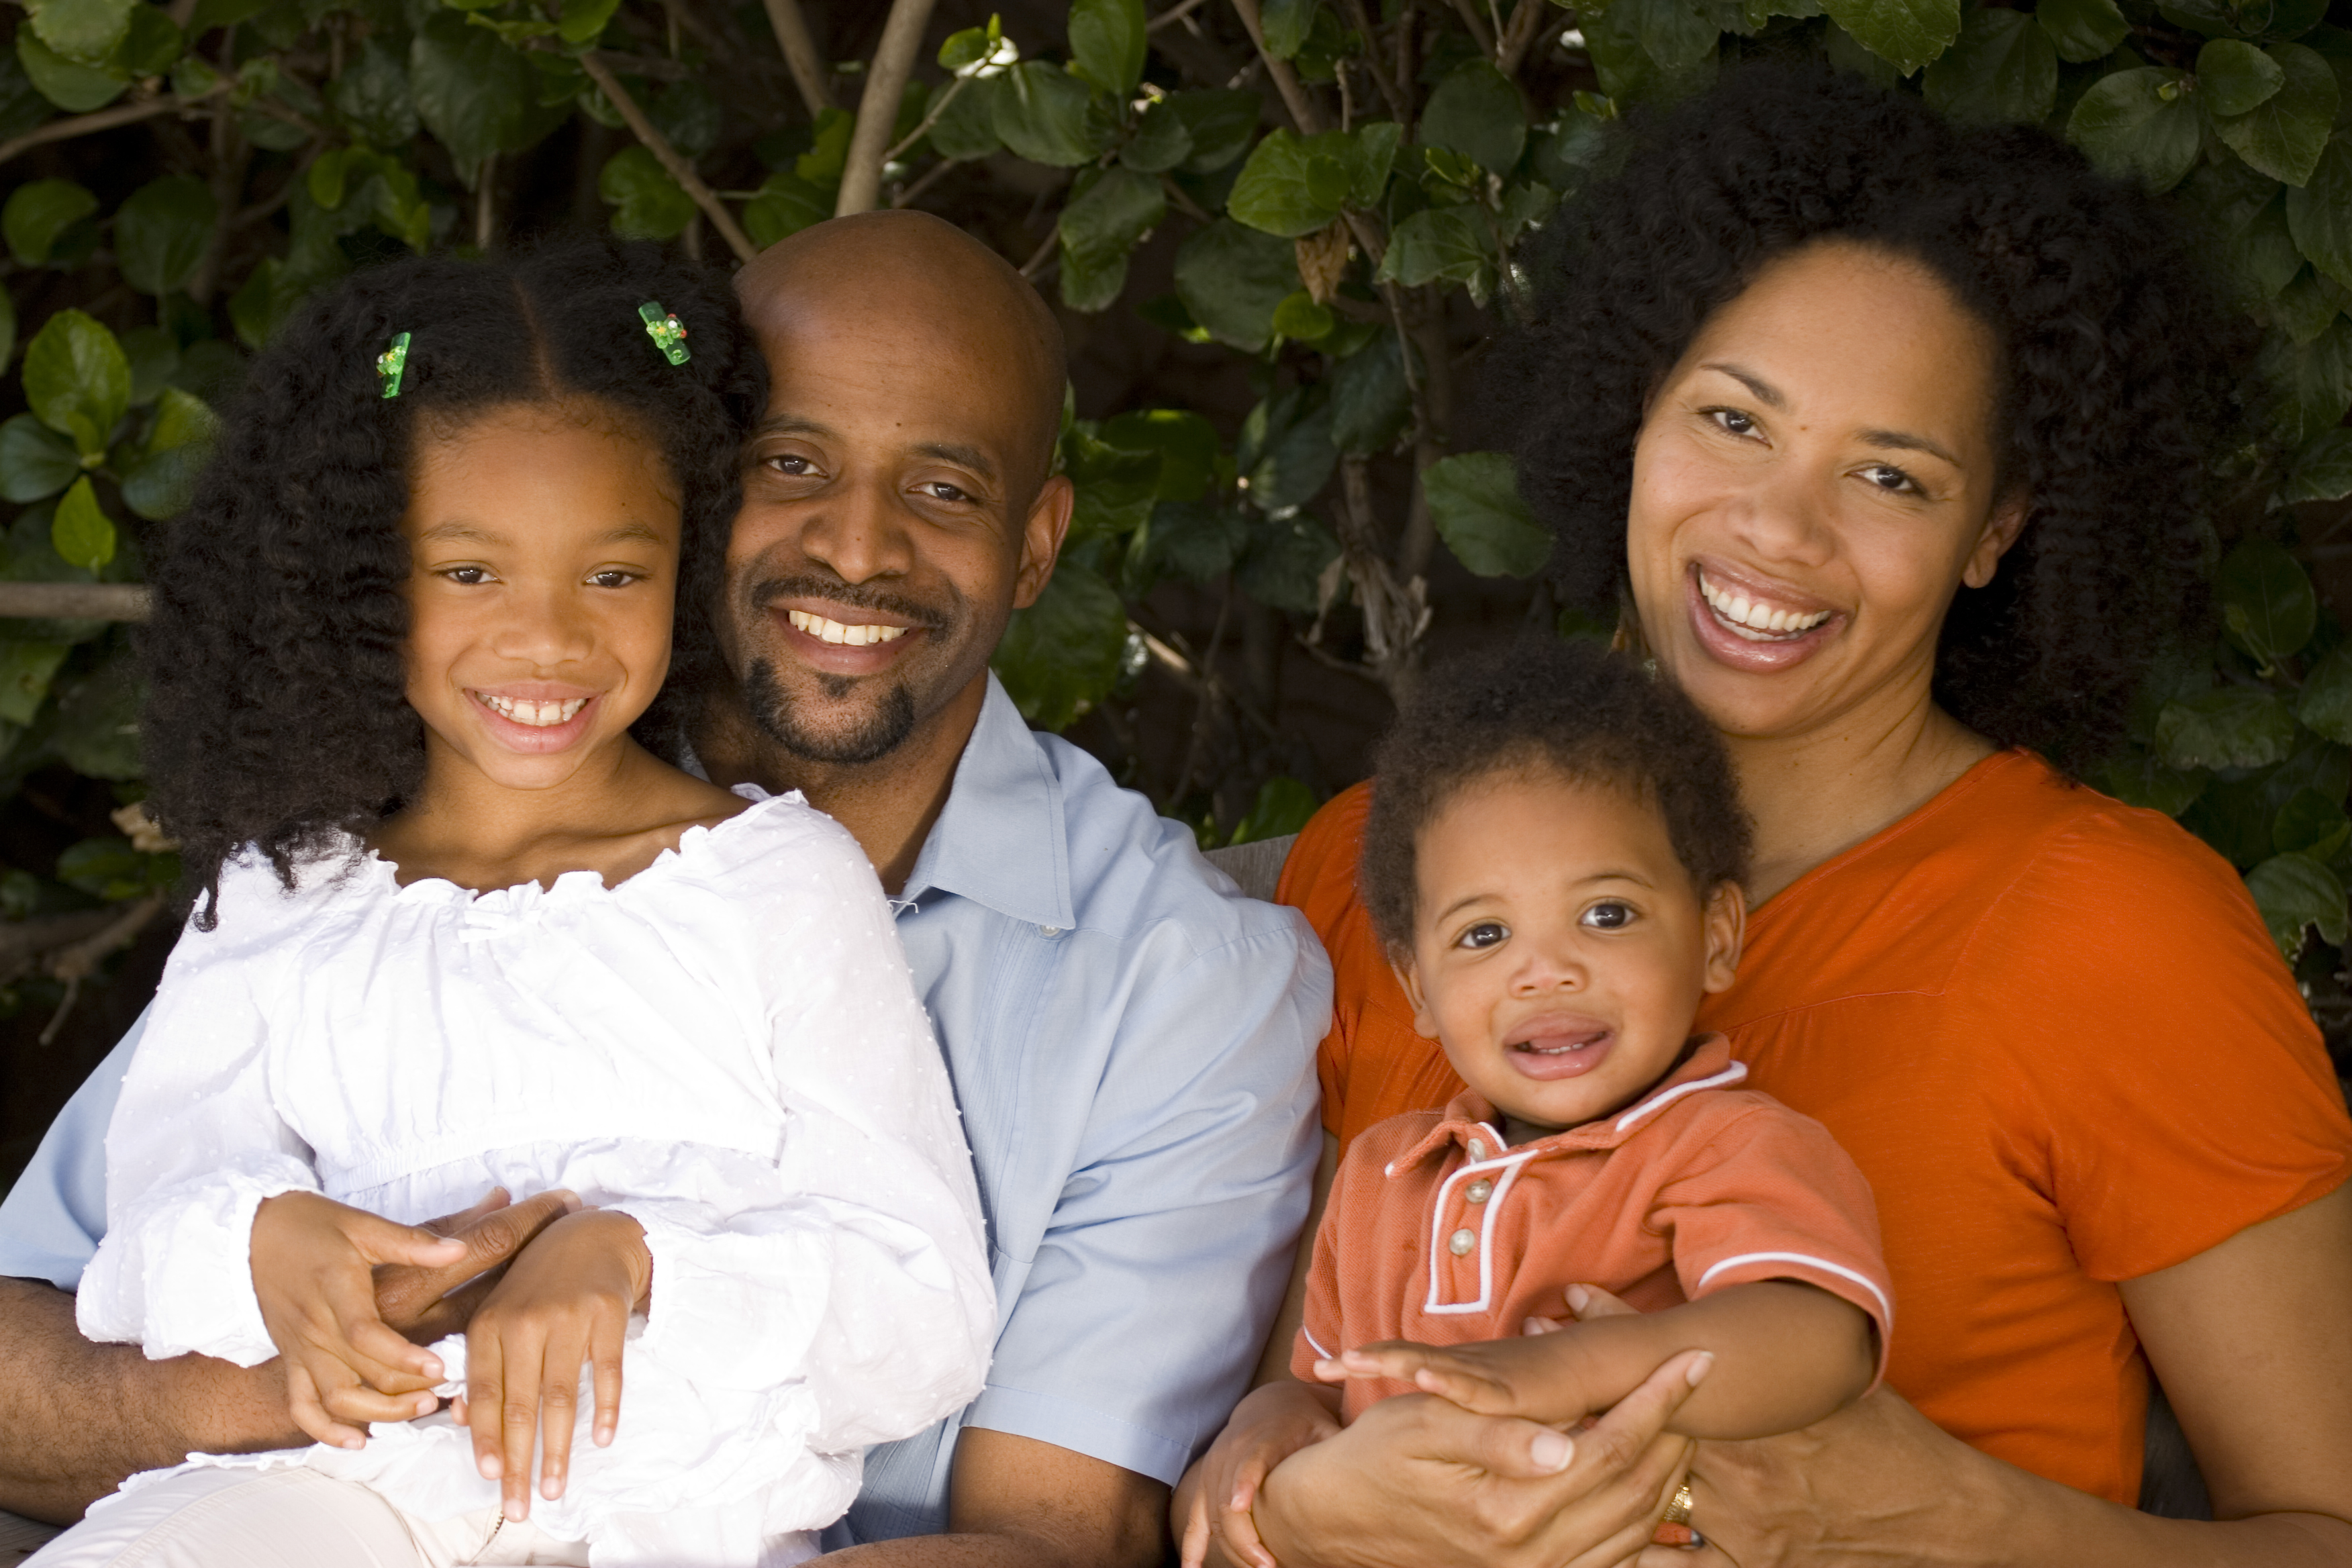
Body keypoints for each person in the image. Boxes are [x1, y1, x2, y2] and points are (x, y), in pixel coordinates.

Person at [0, 211, 1329, 1568]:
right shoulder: (346, 877)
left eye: (944, 488)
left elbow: (1030, 1541)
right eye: (792, 462)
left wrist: (633, 1264)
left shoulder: (1168, 981)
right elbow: (77, 1292)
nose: (859, 548)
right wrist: (322, 1353)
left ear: (1038, 543)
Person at [1245, 64, 2352, 1568]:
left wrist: (1965, 1519)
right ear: (1633, 412)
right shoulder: (1388, 863)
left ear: (1997, 534)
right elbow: (1283, 1399)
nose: (1780, 528)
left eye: (1890, 473)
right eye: (1731, 420)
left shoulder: (2119, 933)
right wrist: (1280, 1500)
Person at [1179, 642, 1892, 1568]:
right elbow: (1319, 1383)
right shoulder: (1385, 1171)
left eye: (1606, 914)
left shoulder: (1725, 1142)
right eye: (1483, 934)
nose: (1543, 970)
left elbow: (1818, 1337)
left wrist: (1570, 1369)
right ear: (1420, 991)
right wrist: (1264, 1423)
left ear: (1717, 936)